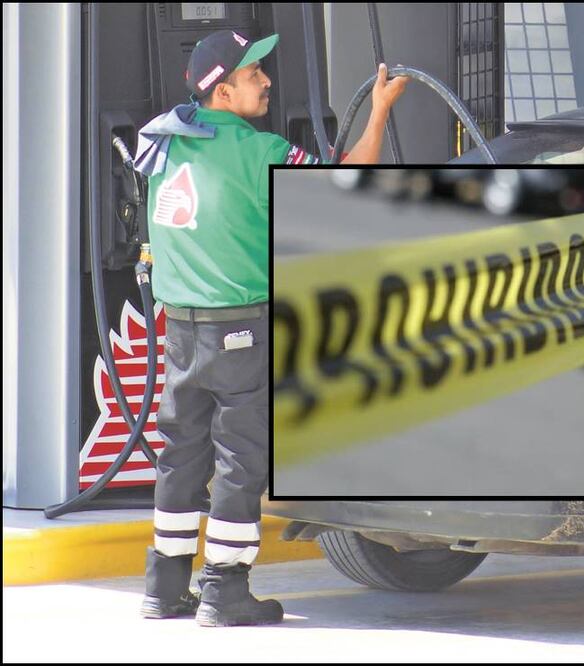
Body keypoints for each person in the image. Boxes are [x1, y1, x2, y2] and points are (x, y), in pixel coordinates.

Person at [135, 29, 407, 627]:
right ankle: (225, 592)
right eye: (254, 72)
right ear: (224, 90)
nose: (266, 79)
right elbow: (346, 180)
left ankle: (165, 586)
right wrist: (380, 112)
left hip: (180, 327)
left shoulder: (162, 141)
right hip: (239, 329)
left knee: (181, 455)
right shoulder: (260, 152)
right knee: (240, 457)